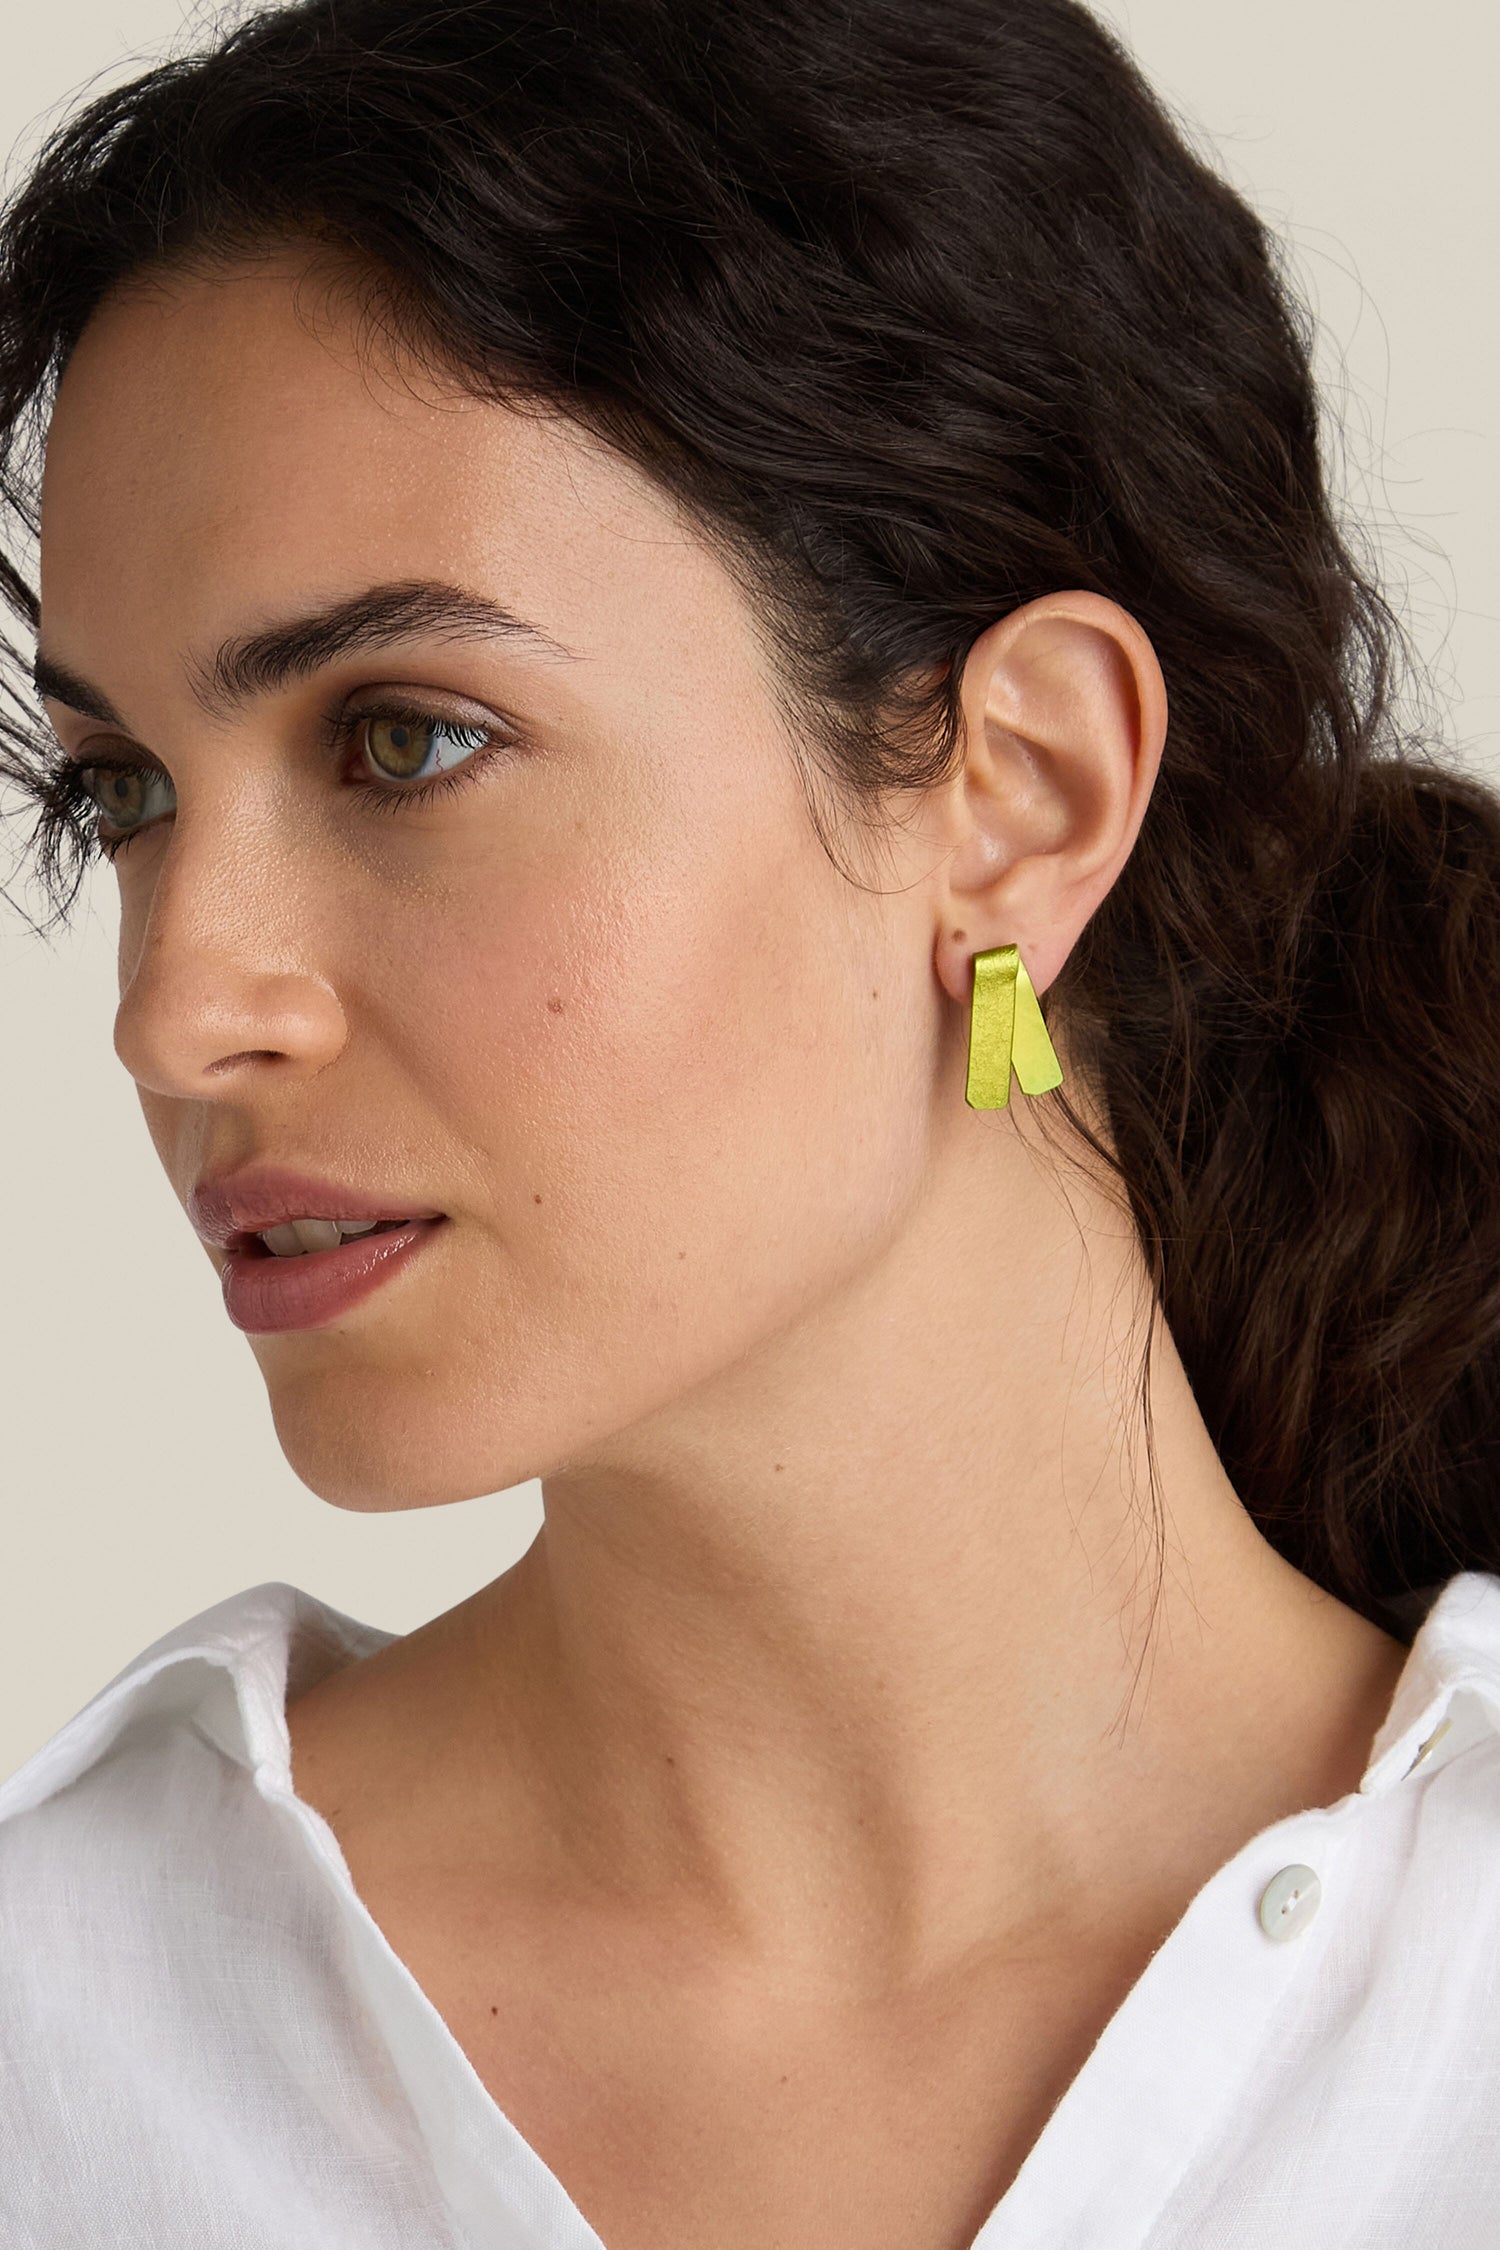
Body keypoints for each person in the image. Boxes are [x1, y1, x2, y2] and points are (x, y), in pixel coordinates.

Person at [2, 0, 1499, 2243]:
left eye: (403, 740)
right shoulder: (60, 2038)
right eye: (119, 794)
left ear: (1020, 790)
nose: (177, 1012)